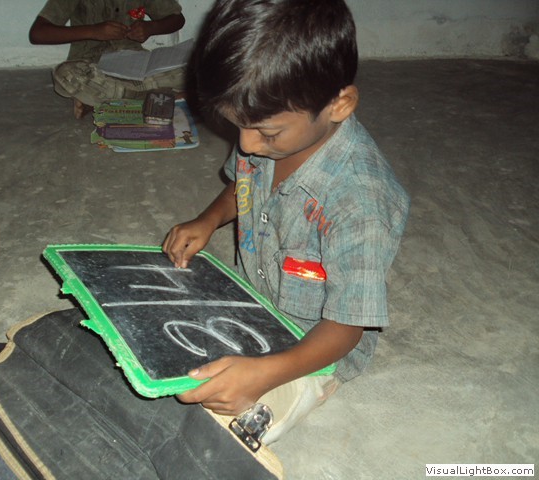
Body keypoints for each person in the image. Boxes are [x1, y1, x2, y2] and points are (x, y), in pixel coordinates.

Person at [163, 0, 410, 444]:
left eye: (266, 132)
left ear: (339, 104)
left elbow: (347, 326)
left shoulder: (361, 202)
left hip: (317, 341)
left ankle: (297, 389)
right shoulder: (264, 130)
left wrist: (265, 374)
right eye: (236, 125)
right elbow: (243, 183)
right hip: (253, 297)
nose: (246, 144)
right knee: (170, 341)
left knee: (239, 413)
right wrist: (208, 219)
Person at [29, 0, 185, 118]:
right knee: (65, 73)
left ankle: (102, 100)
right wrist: (93, 31)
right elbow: (37, 33)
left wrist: (150, 28)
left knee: (190, 65)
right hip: (91, 67)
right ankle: (155, 95)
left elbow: (177, 19)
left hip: (134, 63)